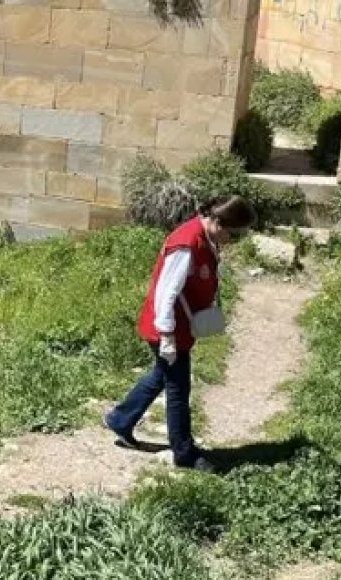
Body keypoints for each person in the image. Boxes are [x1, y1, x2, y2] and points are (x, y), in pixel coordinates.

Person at [102, 196, 256, 471]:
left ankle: (121, 419)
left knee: (161, 376)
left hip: (178, 326)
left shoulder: (204, 237)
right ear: (218, 221)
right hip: (168, 327)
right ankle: (184, 453)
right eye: (232, 233)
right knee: (178, 388)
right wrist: (168, 337)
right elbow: (166, 292)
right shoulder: (186, 243)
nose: (231, 240)